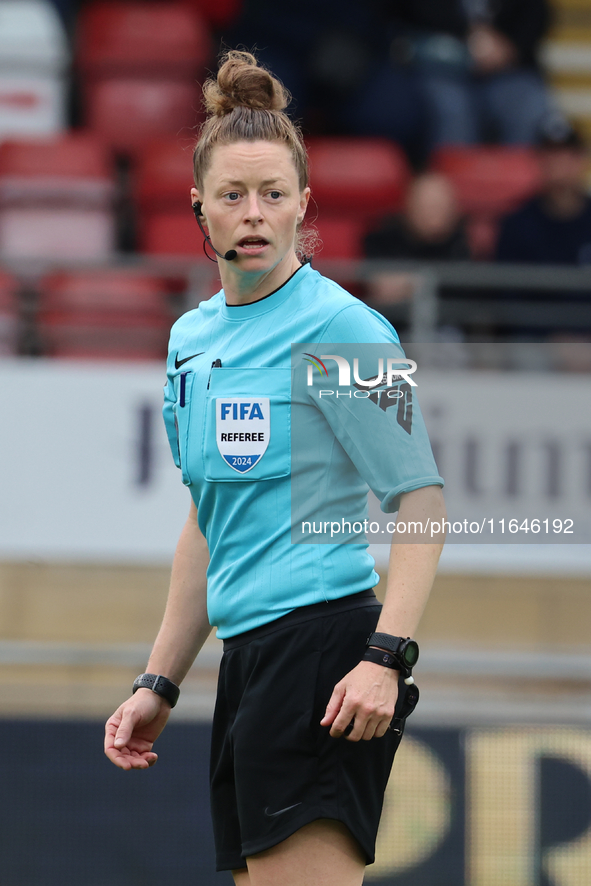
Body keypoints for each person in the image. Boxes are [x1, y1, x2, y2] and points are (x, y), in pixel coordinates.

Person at [104, 51, 446, 886]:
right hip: (246, 663)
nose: (252, 214)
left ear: (302, 206)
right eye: (231, 196)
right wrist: (161, 679)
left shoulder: (346, 330)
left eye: (272, 195)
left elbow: (422, 501)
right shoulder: (192, 339)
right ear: (198, 211)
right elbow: (205, 520)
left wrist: (385, 656)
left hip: (327, 653)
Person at [496, 121, 591, 265]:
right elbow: (504, 283)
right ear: (538, 160)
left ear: (581, 159)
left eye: (567, 153)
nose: (558, 162)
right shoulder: (517, 225)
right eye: (550, 153)